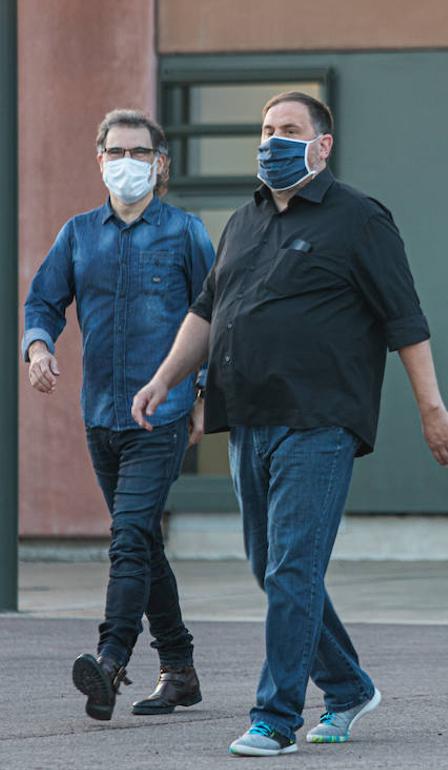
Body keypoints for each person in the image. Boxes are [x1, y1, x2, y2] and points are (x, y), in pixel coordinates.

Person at [131, 92, 448, 757]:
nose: (273, 140)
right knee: (273, 567)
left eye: (289, 130)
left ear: (323, 145)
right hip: (248, 416)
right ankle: (346, 686)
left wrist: (433, 408)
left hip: (321, 420)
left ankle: (275, 716)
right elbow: (206, 311)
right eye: (265, 129)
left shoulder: (360, 220)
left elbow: (406, 320)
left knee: (290, 568)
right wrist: (165, 377)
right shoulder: (244, 221)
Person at [22, 109, 213, 721]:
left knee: (128, 537)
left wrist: (204, 395)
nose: (126, 162)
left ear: (160, 163)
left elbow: (217, 316)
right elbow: (43, 301)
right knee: (144, 543)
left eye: (139, 151)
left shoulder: (186, 232)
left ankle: (109, 662)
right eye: (115, 150)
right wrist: (38, 346)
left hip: (163, 415)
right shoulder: (78, 234)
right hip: (99, 416)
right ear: (99, 158)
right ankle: (179, 670)